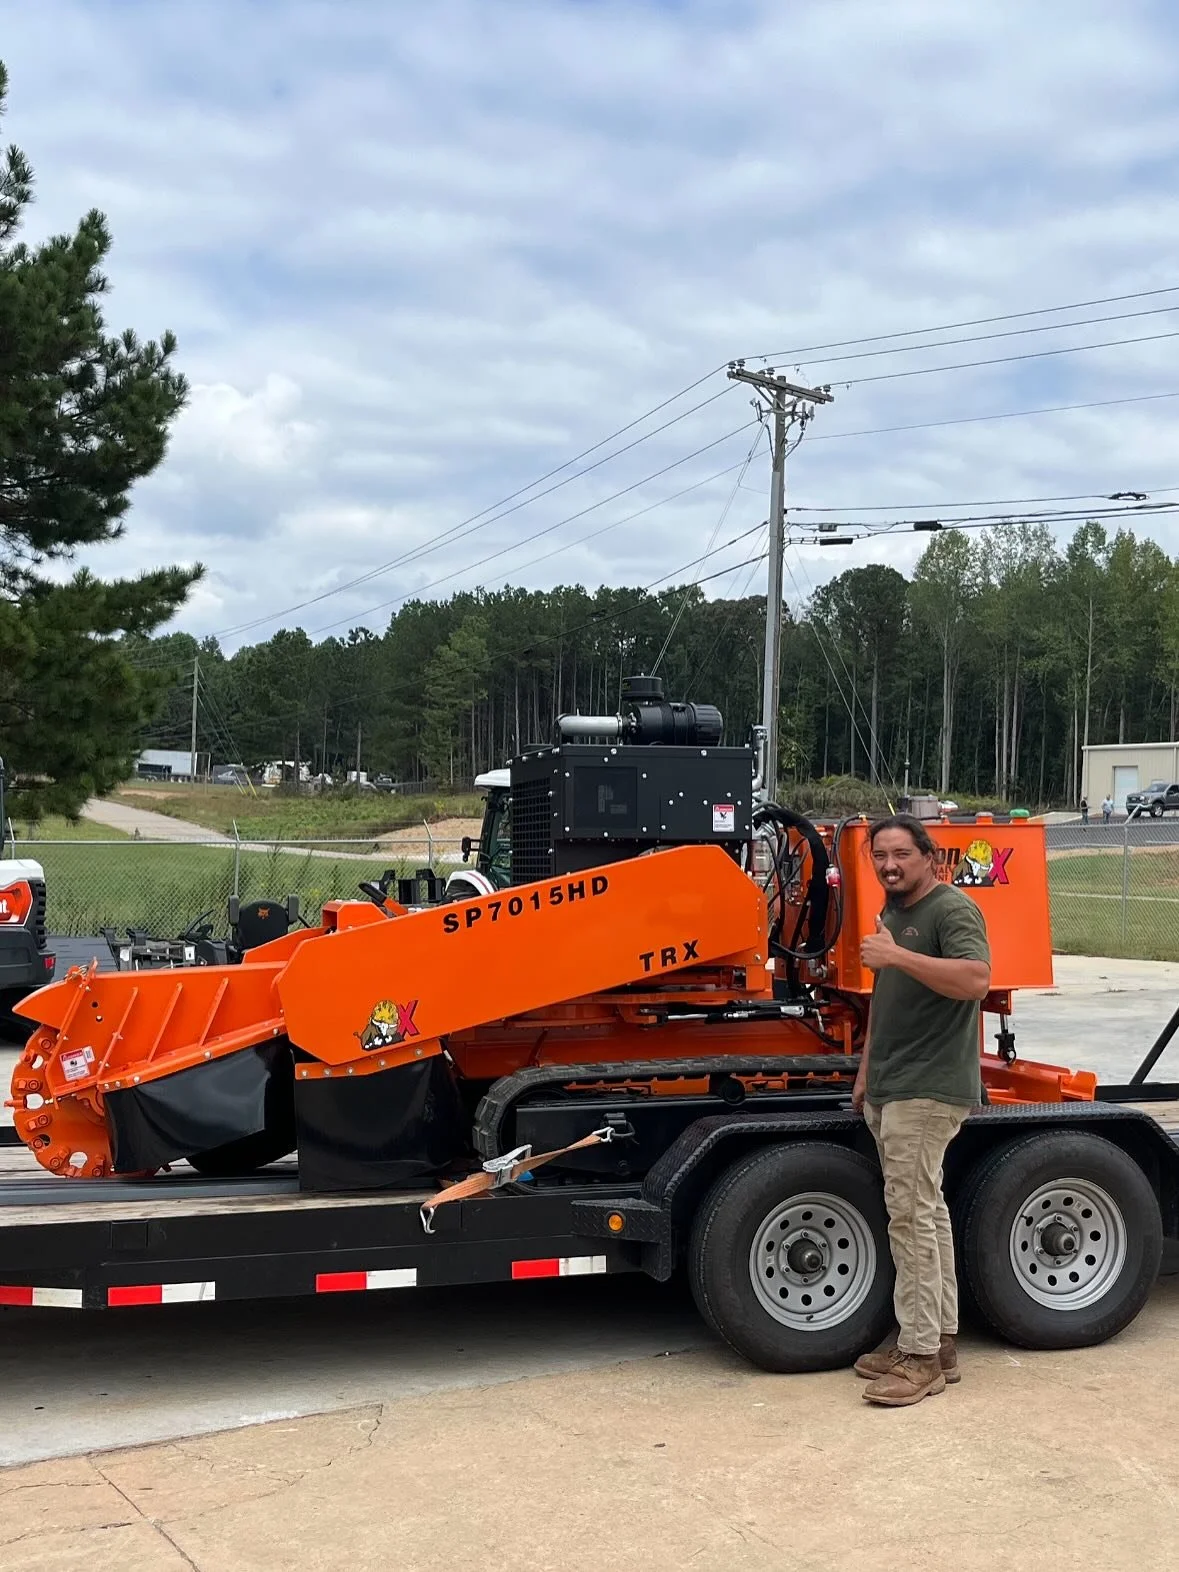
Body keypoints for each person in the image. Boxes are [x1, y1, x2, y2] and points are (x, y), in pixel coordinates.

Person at [851, 814, 991, 1408]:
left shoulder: (950, 910)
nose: (889, 865)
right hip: (891, 1084)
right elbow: (887, 999)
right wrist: (864, 1071)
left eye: (901, 854)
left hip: (930, 1088)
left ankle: (919, 1357)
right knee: (924, 1215)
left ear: (929, 856)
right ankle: (941, 1341)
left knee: (908, 1218)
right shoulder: (895, 915)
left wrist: (897, 956)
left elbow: (977, 979)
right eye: (880, 855)